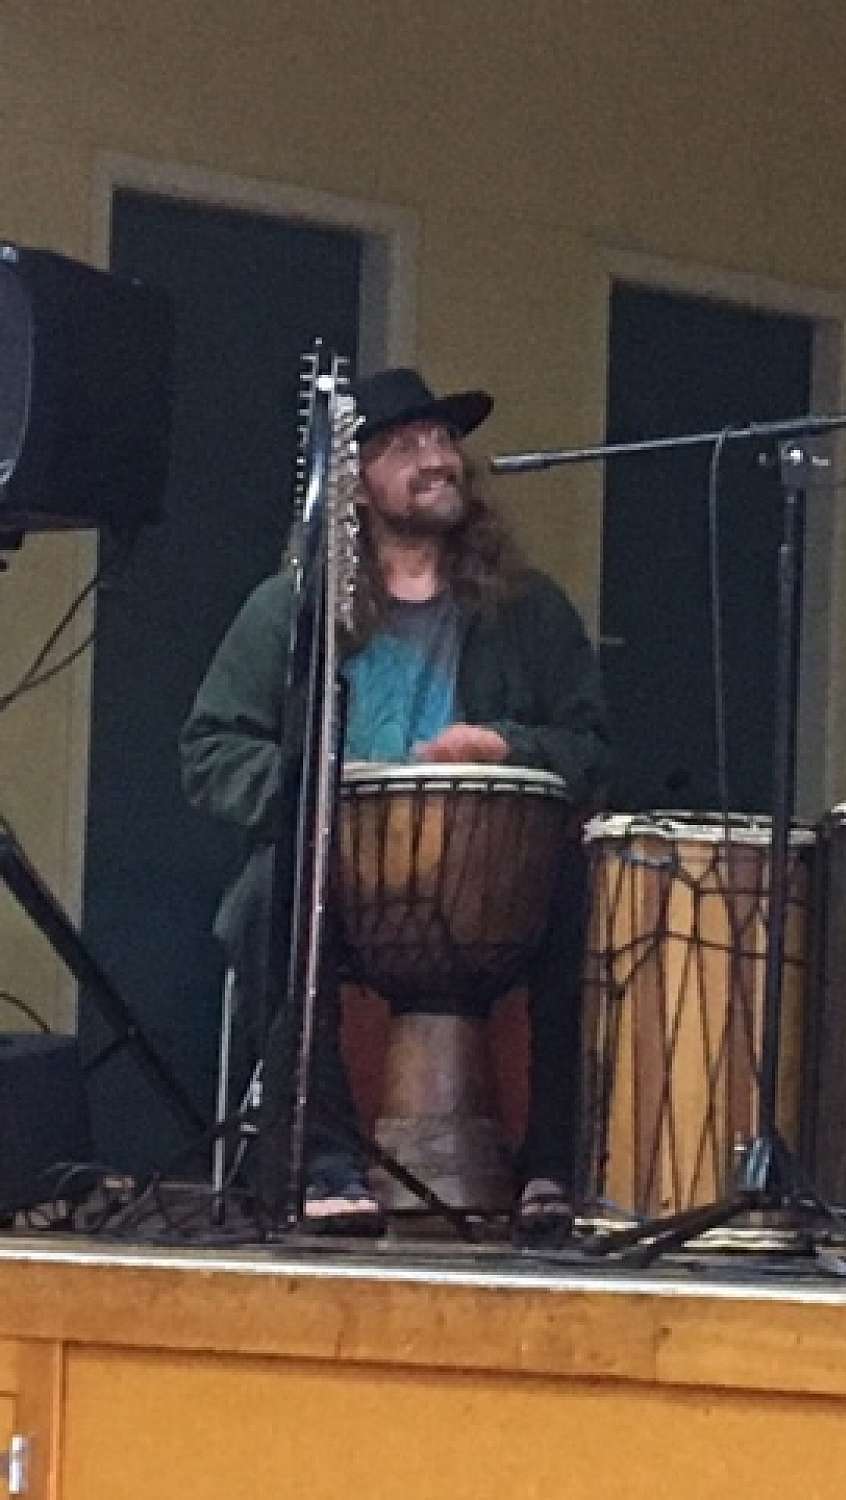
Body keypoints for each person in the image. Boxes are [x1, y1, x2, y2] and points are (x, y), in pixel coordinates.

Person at [182, 367, 608, 1236]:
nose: (438, 459)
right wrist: (315, 788)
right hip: (342, 871)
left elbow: (593, 748)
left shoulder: (528, 610)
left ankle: (551, 1169)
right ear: (355, 484)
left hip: (493, 884)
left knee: (588, 898)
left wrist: (504, 746)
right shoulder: (293, 610)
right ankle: (324, 1161)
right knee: (266, 899)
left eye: (443, 440)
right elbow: (211, 748)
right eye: (406, 446)